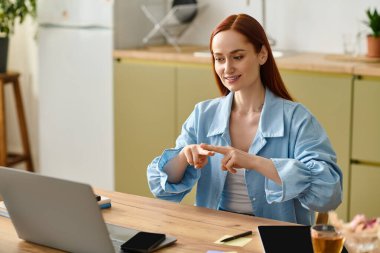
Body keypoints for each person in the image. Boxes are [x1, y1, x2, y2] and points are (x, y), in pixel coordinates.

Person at [147, 13, 342, 225]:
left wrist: (254, 162)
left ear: (262, 55)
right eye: (219, 59)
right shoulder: (203, 114)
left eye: (237, 57)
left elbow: (328, 194)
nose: (227, 68)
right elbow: (160, 188)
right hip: (214, 234)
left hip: (277, 241)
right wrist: (185, 156)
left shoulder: (297, 119)